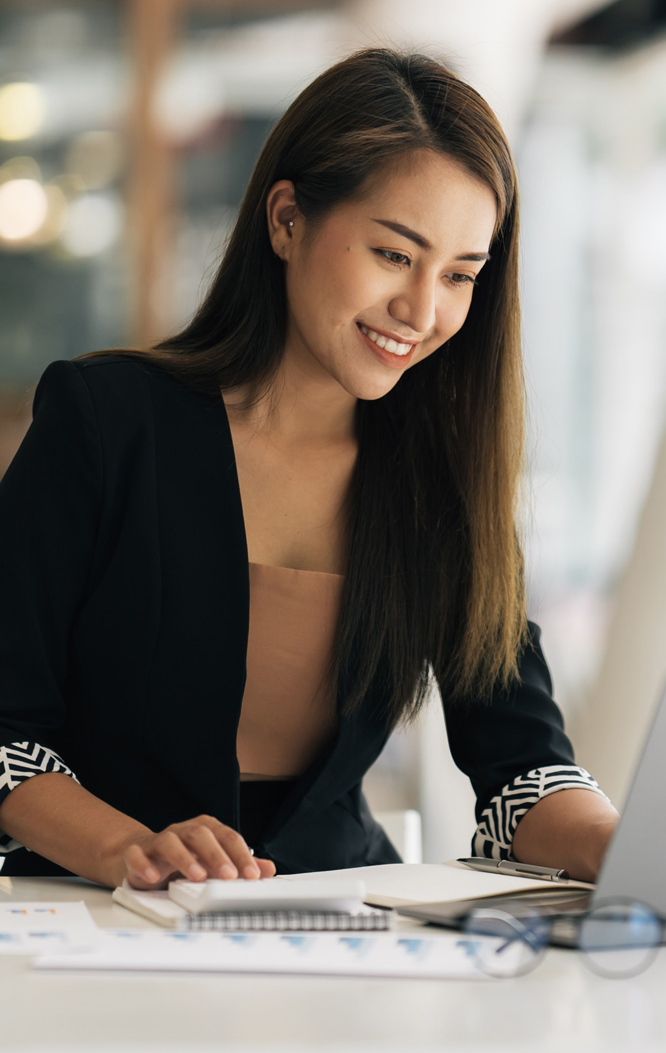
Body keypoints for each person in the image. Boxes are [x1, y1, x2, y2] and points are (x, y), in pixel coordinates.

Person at [0, 48, 618, 889]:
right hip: (97, 914)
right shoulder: (107, 422)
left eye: (461, 275)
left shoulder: (439, 483)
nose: (424, 310)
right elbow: (7, 729)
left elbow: (522, 770)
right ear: (287, 220)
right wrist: (125, 847)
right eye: (395, 255)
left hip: (336, 923)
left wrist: (632, 847)